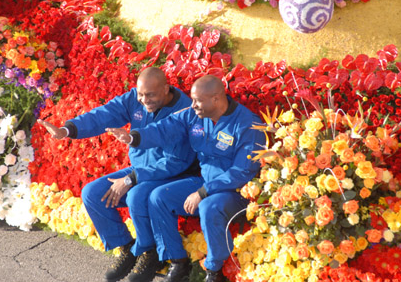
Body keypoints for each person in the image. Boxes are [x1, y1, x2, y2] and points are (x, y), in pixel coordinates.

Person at [38, 67, 197, 282]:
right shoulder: (136, 98)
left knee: (137, 194)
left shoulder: (184, 109)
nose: (143, 100)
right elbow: (103, 115)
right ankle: (128, 248)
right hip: (141, 170)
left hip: (172, 173)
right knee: (93, 194)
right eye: (140, 94)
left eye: (150, 95)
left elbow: (176, 162)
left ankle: (149, 254)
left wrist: (131, 178)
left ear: (166, 89)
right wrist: (67, 130)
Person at [119, 75, 265, 282]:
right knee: (159, 197)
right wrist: (134, 137)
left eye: (198, 100)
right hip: (205, 184)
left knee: (208, 206)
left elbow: (241, 172)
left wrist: (203, 193)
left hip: (237, 193)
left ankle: (214, 272)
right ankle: (177, 262)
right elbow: (165, 128)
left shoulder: (248, 125)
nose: (193, 105)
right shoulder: (194, 114)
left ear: (216, 99)